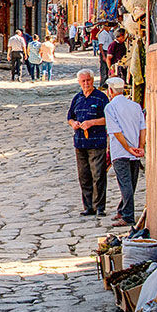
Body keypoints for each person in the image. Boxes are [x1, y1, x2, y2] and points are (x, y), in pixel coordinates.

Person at [103, 76, 146, 226]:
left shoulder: (110, 107)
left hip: (121, 151)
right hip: (135, 151)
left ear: (110, 91)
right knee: (131, 184)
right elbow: (142, 128)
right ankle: (122, 209)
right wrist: (140, 147)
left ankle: (127, 216)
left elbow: (116, 132)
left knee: (125, 184)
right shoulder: (135, 106)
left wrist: (128, 148)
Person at [65, 69, 109, 216]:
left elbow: (108, 118)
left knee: (98, 175)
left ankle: (99, 207)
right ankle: (88, 206)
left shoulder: (101, 98)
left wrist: (92, 122)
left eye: (88, 80)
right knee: (84, 176)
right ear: (79, 82)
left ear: (93, 80)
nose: (86, 83)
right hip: (80, 142)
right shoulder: (77, 98)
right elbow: (70, 117)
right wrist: (73, 123)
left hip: (96, 142)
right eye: (83, 81)